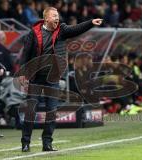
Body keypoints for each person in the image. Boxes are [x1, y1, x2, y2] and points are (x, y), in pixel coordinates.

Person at [19, 7, 103, 152]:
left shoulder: (61, 30)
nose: (57, 18)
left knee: (51, 111)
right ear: (46, 18)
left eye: (57, 15)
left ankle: (47, 143)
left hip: (53, 78)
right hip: (36, 77)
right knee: (31, 111)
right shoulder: (34, 33)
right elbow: (25, 54)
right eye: (54, 16)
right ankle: (25, 142)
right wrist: (22, 73)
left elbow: (76, 29)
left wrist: (90, 22)